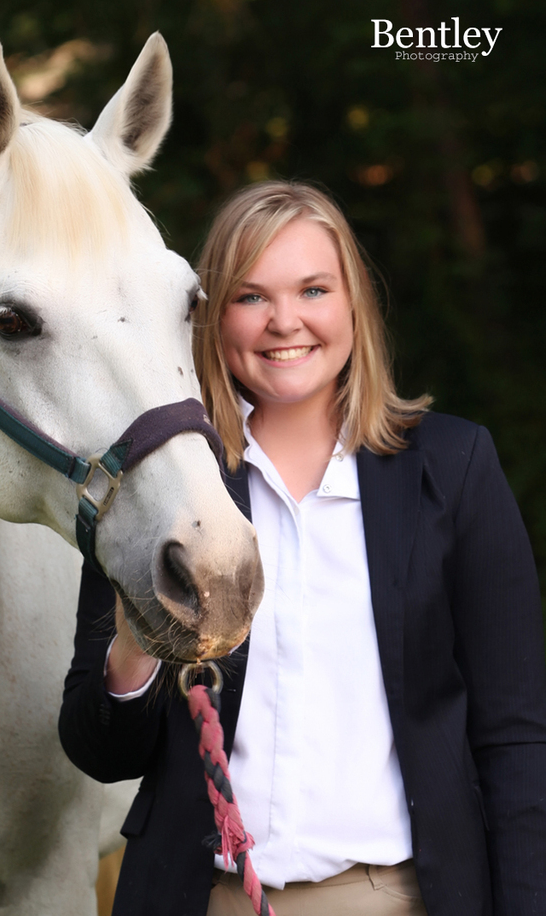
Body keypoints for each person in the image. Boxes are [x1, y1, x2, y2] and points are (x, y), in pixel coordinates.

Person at [59, 180, 546, 916]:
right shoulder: (162, 489)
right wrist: (132, 650)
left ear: (354, 303)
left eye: (313, 289)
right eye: (250, 297)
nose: (284, 322)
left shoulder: (455, 469)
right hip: (201, 898)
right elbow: (102, 753)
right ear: (211, 320)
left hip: (395, 897)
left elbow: (516, 738)